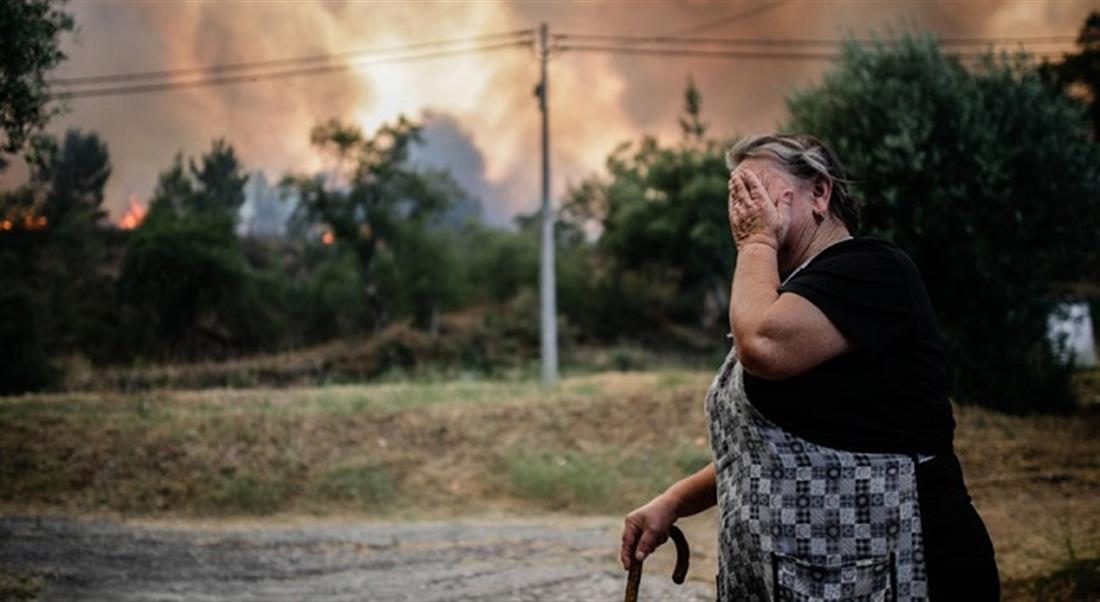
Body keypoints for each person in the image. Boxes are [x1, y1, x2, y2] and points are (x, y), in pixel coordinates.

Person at [619, 133, 999, 600]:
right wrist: (674, 501)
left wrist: (756, 239)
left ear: (820, 192)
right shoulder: (790, 293)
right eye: (737, 196)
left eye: (757, 192)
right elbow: (768, 453)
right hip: (802, 578)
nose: (744, 210)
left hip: (898, 571)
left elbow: (761, 345)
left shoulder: (872, 269)